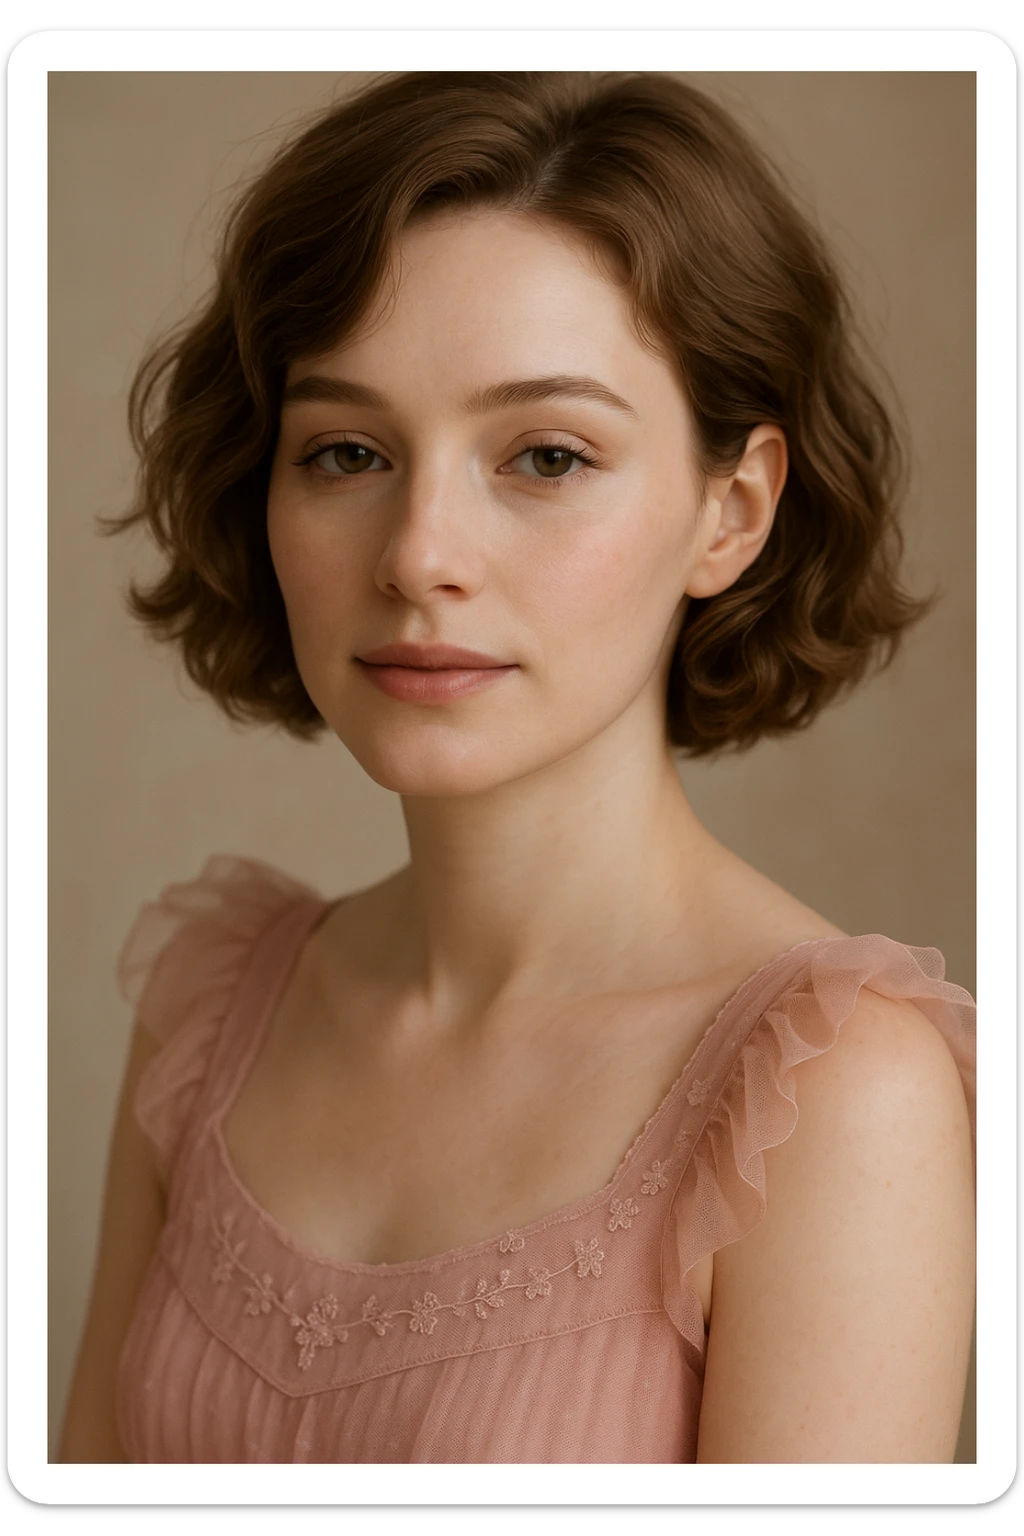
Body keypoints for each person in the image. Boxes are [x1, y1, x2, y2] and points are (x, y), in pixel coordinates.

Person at [58, 70, 976, 1465]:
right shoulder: (208, 1017)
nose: (421, 552)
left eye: (546, 454)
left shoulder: (838, 1097)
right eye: (348, 450)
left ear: (732, 514)